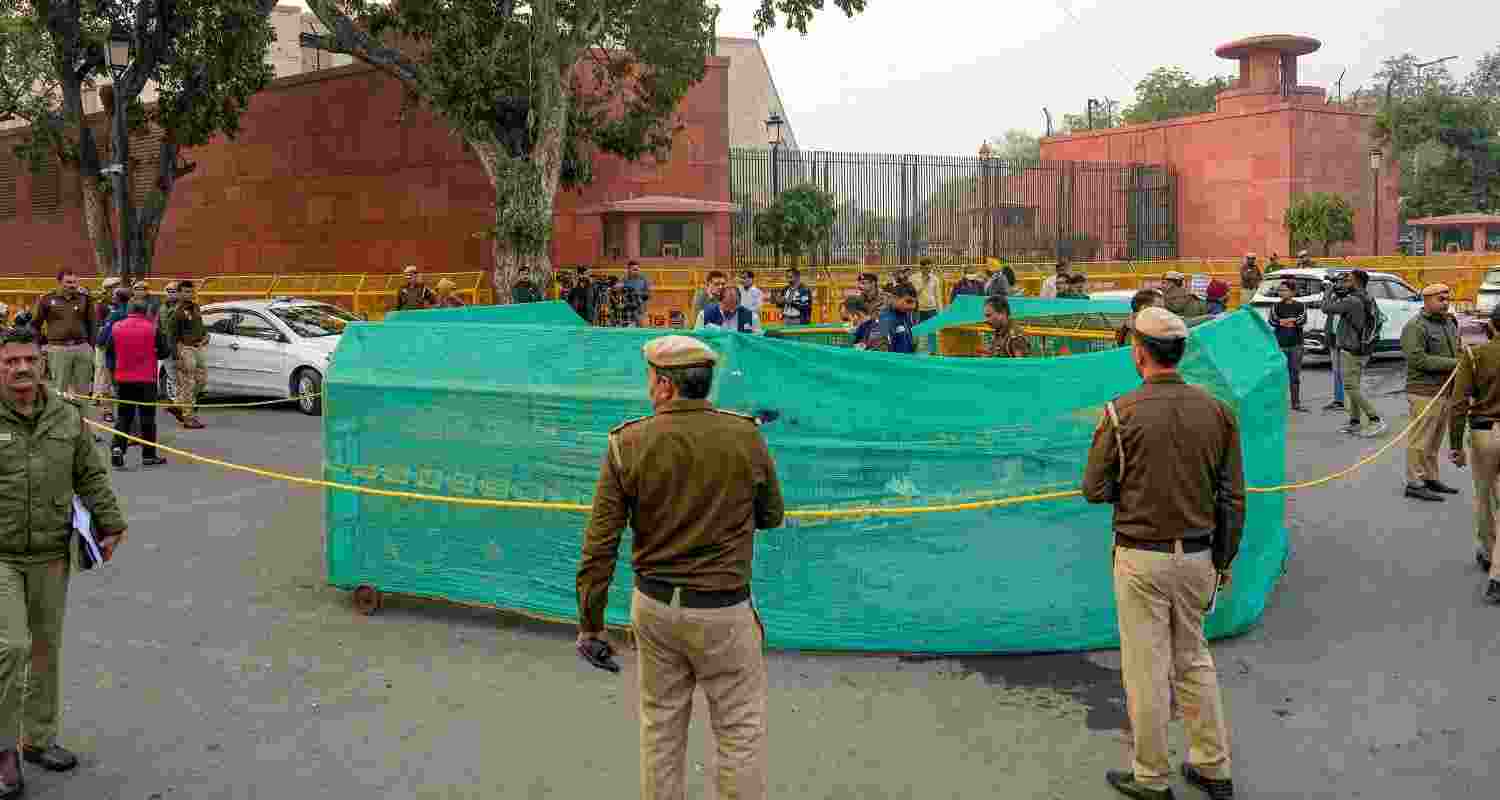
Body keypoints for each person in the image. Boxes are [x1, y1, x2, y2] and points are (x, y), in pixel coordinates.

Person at [575, 334, 784, 800]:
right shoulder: (745, 436)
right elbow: (772, 515)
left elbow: (599, 547)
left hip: (654, 609)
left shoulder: (627, 444)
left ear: (666, 386)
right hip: (725, 610)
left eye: (651, 379)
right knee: (739, 730)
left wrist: (590, 624)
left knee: (661, 728)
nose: (649, 387)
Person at [1082, 306, 1241, 800]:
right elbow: (1232, 498)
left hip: (1140, 558)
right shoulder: (1218, 412)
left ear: (1139, 353)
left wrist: (1132, 489)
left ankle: (1151, 776)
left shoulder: (1119, 413)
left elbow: (1094, 488)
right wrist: (1223, 560)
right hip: (1198, 557)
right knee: (1194, 659)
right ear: (1181, 353)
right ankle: (1213, 766)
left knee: (1146, 669)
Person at [0, 326, 128, 795]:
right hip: (1, 556)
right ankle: (3, 751)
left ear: (43, 364)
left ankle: (37, 739)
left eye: (29, 360)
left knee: (45, 649)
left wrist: (111, 522)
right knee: (11, 646)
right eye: (10, 361)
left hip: (52, 552)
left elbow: (89, 474)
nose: (21, 368)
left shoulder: (67, 417)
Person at [1447, 304, 1500, 603]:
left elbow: (1458, 403)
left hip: (1483, 434)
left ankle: (1491, 558)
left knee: (1484, 496)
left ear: (1491, 326)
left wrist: (1455, 446)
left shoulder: (1474, 355)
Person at [1399, 284, 1460, 502]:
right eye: (1440, 299)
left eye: (1447, 299)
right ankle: (1414, 482)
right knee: (1420, 439)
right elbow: (1417, 359)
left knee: (1434, 440)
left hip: (1445, 390)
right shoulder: (1415, 327)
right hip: (1424, 391)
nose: (1445, 303)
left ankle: (1430, 478)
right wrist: (1455, 363)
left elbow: (1456, 349)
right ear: (1426, 300)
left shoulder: (1450, 323)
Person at [104, 301, 170, 469]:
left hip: (123, 378)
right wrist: (153, 352)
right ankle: (148, 455)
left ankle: (118, 447)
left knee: (124, 416)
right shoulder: (152, 328)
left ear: (129, 311)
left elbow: (109, 350)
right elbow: (164, 352)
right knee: (147, 418)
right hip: (146, 379)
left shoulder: (117, 327)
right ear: (146, 312)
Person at [1320, 270, 1387, 438]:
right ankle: (1355, 422)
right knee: (1354, 386)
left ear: (1356, 282)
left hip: (1352, 348)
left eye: (1348, 280)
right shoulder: (1366, 297)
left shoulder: (1352, 300)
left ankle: (1375, 419)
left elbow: (1326, 308)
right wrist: (1337, 290)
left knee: (1350, 386)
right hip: (1362, 346)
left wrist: (1328, 291)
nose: (1344, 283)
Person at [29, 269, 98, 413]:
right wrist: (41, 345)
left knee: (83, 390)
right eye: (68, 282)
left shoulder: (85, 299)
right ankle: (60, 423)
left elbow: (92, 324)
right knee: (59, 390)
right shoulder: (47, 299)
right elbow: (35, 325)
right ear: (59, 282)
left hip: (82, 348)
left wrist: (90, 347)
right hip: (58, 349)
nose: (72, 285)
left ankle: (83, 422)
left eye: (75, 282)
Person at [165, 280, 208, 429]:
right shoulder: (176, 311)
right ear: (179, 293)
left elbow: (199, 325)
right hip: (184, 348)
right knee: (188, 383)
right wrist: (176, 358)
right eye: (186, 292)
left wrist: (205, 335)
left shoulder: (195, 307)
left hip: (198, 347)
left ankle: (178, 405)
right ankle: (188, 417)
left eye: (191, 291)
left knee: (201, 381)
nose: (189, 294)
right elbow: (171, 336)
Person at [1271, 281, 1309, 412]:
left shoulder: (1300, 306)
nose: (1281, 292)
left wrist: (1284, 321)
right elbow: (1272, 320)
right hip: (1280, 344)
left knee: (1294, 375)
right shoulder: (1275, 306)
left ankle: (1295, 403)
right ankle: (1278, 403)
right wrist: (1290, 320)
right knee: (1279, 376)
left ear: (1292, 292)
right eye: (1280, 290)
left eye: (1284, 290)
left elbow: (1302, 320)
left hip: (1296, 345)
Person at [876, 283, 919, 354]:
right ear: (894, 298)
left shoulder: (905, 314)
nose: (913, 306)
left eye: (915, 302)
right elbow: (881, 352)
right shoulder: (884, 319)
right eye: (908, 301)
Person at [622, 261, 651, 326]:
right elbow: (621, 293)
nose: (636, 271)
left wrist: (639, 294)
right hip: (628, 310)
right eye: (634, 269)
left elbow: (648, 294)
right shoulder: (624, 280)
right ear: (628, 270)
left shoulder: (643, 279)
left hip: (641, 309)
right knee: (628, 328)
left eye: (637, 269)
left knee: (642, 326)